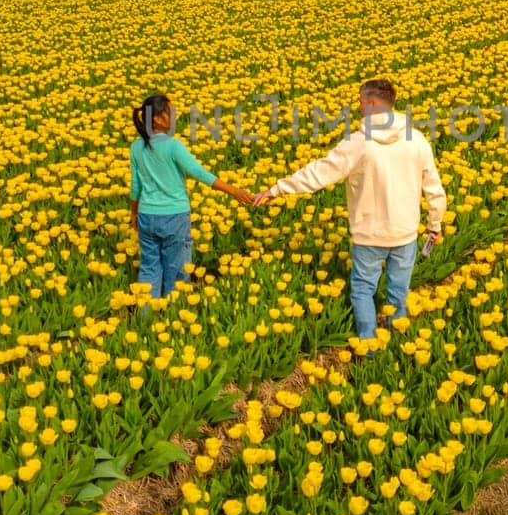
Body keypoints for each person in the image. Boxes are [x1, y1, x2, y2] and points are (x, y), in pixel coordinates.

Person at [253, 79, 446, 339]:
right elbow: (434, 186)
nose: (357, 106)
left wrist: (277, 189)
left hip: (369, 234)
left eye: (360, 101)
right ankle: (397, 338)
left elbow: (319, 172)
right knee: (398, 290)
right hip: (405, 233)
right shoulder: (417, 139)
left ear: (373, 103)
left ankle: (367, 345)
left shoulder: (358, 142)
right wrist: (435, 224)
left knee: (363, 289)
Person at [129, 92, 252, 299]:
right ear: (158, 119)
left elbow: (135, 187)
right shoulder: (173, 145)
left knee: (149, 269)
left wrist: (134, 214)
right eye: (170, 112)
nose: (175, 116)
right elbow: (199, 174)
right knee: (176, 271)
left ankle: (146, 318)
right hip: (173, 217)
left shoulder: (136, 147)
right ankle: (170, 318)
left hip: (146, 216)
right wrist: (234, 191)